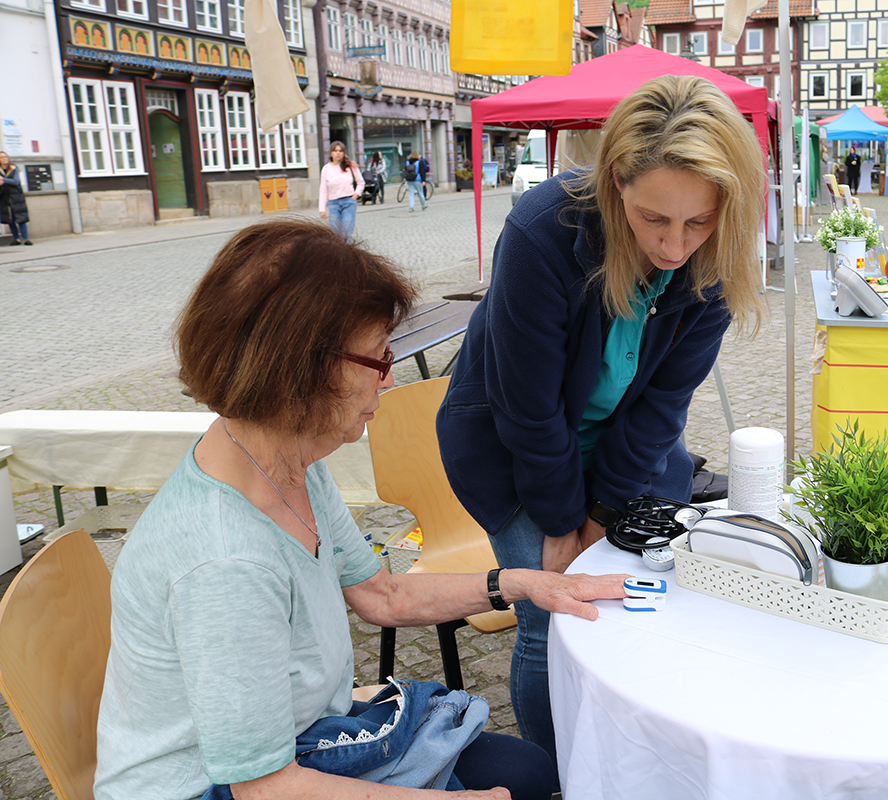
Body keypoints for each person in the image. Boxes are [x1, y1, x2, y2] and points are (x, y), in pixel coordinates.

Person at [92, 217, 628, 800]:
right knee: (520, 781)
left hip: (286, 744)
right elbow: (266, 788)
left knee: (525, 770)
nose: (390, 378)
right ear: (301, 368)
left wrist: (525, 583)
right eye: (378, 359)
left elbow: (381, 595)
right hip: (211, 785)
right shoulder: (226, 562)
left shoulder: (286, 460)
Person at [436, 75, 764, 763]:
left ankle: (637, 759)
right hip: (509, 441)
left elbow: (661, 407)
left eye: (697, 222)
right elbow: (526, 407)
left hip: (625, 446)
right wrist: (561, 521)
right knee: (549, 618)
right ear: (617, 182)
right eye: (654, 220)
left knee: (645, 598)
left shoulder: (715, 253)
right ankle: (562, 771)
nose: (676, 248)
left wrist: (602, 513)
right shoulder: (543, 229)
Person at [318, 141, 362, 241]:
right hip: (334, 203)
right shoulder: (326, 169)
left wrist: (355, 195)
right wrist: (322, 209)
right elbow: (323, 189)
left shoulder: (350, 166)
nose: (338, 153)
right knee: (334, 234)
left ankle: (348, 255)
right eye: (335, 151)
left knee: (346, 233)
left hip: (348, 202)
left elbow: (360, 182)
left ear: (344, 153)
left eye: (340, 151)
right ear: (331, 153)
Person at [0, 152, 31, 246]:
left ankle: (26, 239)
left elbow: (16, 182)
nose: (5, 158)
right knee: (10, 220)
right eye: (2, 157)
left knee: (21, 219)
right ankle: (16, 239)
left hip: (16, 198)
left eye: (5, 156)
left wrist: (3, 180)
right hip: (5, 198)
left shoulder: (14, 168)